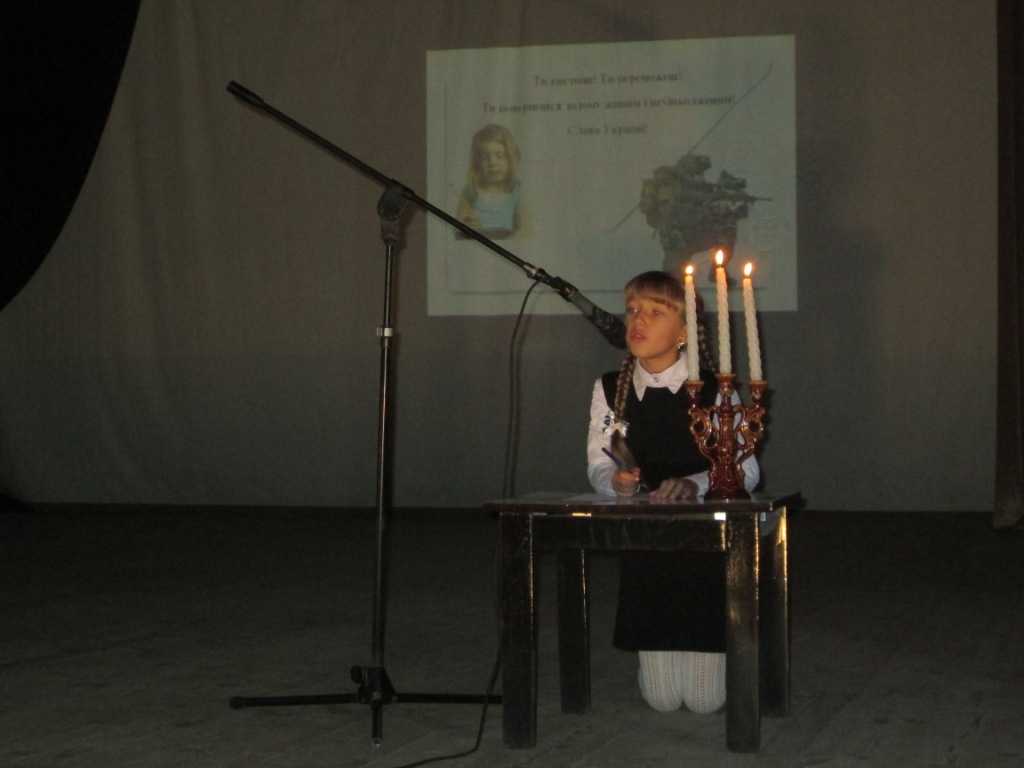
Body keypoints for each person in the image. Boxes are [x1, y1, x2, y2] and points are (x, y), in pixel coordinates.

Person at [586, 270, 759, 714]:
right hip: (648, 545)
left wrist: (695, 484)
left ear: (683, 332)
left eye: (655, 312)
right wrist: (615, 482)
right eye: (632, 310)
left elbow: (748, 470)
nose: (638, 320)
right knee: (662, 701)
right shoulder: (610, 388)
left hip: (705, 546)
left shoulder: (716, 390)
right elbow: (601, 462)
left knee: (704, 701)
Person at [455, 124, 524, 239]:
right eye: (484, 157)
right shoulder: (470, 191)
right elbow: (456, 231)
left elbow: (525, 230)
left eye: (500, 156)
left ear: (511, 158)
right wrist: (467, 227)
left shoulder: (517, 191)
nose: (492, 162)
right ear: (476, 163)